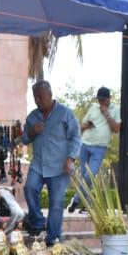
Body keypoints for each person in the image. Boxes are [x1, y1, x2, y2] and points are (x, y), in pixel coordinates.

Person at [19, 80, 80, 245]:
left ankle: (52, 238)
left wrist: (70, 158)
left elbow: (75, 137)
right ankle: (38, 223)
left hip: (60, 166)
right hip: (38, 164)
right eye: (35, 97)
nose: (37, 100)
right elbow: (24, 139)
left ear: (50, 95)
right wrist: (32, 131)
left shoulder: (65, 113)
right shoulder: (32, 117)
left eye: (40, 97)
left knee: (56, 204)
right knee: (29, 188)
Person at [78, 86, 120, 183]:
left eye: (103, 100)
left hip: (99, 148)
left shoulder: (116, 109)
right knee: (84, 176)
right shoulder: (93, 108)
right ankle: (85, 198)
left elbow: (117, 129)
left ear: (110, 98)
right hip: (85, 144)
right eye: (99, 100)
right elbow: (81, 126)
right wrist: (86, 126)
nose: (100, 102)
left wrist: (106, 114)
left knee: (90, 176)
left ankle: (76, 198)